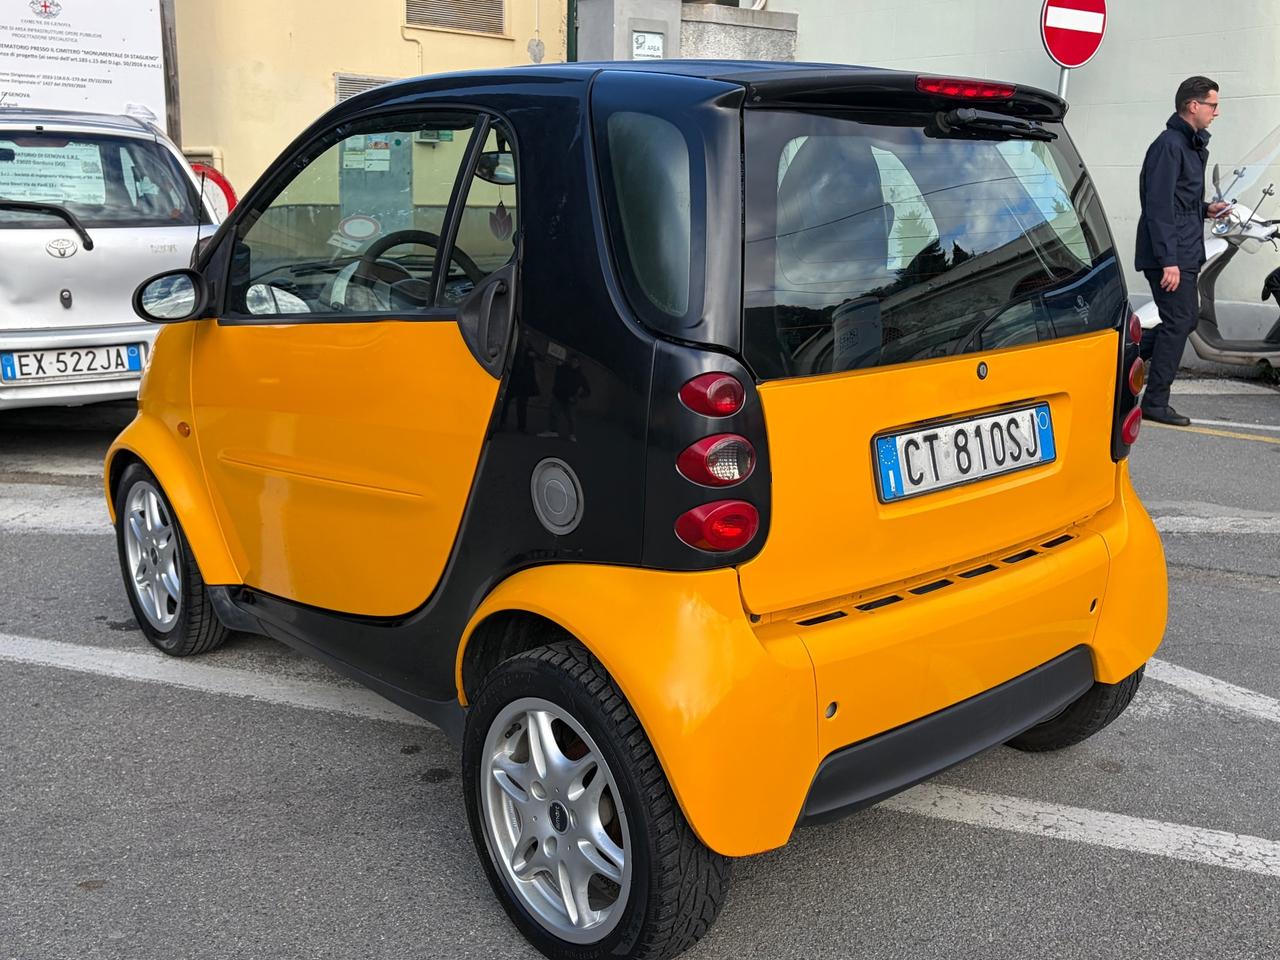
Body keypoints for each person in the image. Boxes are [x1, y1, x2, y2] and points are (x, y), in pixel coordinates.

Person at [1134, 76, 1231, 427]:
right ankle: (1155, 402)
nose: (1216, 113)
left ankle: (1120, 358)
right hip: (1171, 254)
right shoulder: (1169, 145)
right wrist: (1168, 261)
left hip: (1186, 248)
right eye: (1213, 105)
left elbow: (1180, 200)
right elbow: (1157, 206)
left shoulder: (1188, 146)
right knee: (1179, 321)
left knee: (1186, 319)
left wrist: (1206, 209)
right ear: (1194, 106)